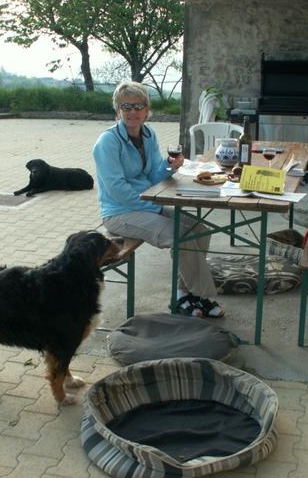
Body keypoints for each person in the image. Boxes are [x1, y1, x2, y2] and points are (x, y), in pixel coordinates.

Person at [92, 81, 224, 318]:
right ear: (118, 110)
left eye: (138, 106)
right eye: (126, 106)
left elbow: (154, 174)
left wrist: (170, 167)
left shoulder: (148, 134)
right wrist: (154, 206)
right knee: (180, 236)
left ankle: (183, 294)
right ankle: (201, 296)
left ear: (147, 109)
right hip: (119, 212)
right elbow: (116, 189)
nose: (133, 112)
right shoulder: (107, 142)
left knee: (199, 229)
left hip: (148, 204)